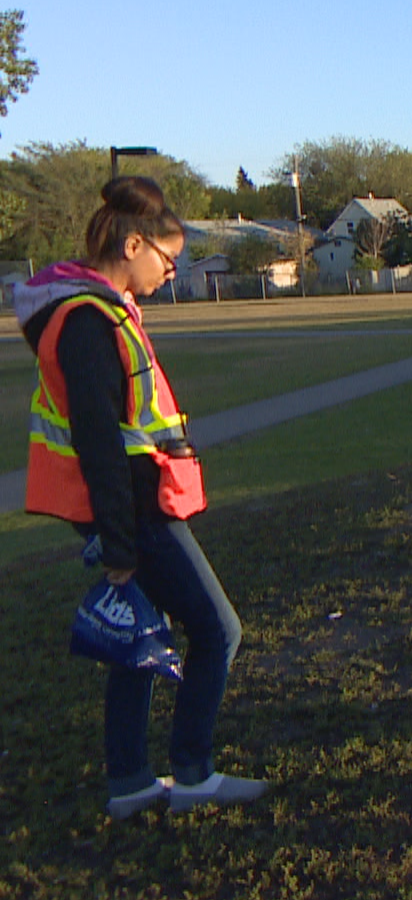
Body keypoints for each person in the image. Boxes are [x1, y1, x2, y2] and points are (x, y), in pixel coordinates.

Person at [15, 176, 267, 817]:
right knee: (217, 632)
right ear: (133, 244)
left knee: (141, 637)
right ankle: (194, 776)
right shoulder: (86, 321)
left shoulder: (95, 309)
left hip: (135, 499)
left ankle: (130, 783)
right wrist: (120, 547)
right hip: (134, 505)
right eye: (168, 259)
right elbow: (98, 441)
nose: (171, 272)